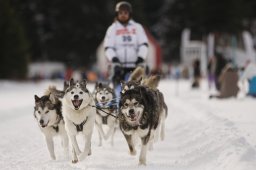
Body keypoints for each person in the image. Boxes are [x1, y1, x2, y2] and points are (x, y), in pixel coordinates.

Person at [103, 1, 148, 90]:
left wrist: (140, 58)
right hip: (118, 66)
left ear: (130, 14)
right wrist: (114, 59)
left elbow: (144, 44)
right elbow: (108, 47)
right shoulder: (112, 28)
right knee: (118, 92)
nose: (123, 15)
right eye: (120, 13)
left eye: (125, 13)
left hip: (135, 65)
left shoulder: (137, 27)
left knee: (136, 91)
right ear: (117, 14)